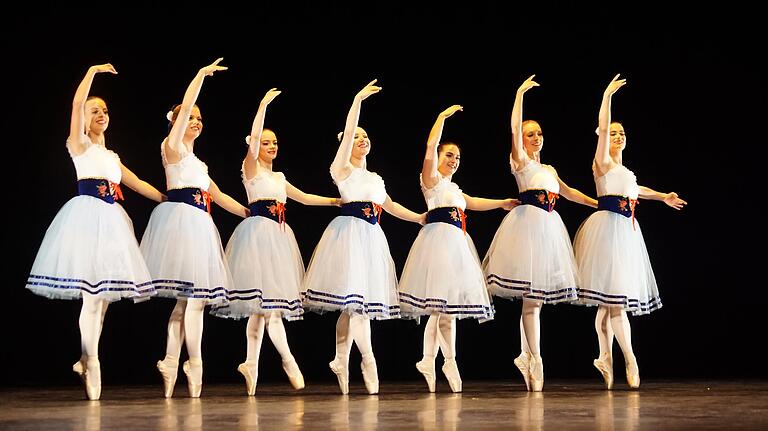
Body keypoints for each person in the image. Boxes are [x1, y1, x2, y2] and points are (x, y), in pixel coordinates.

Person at [25, 63, 165, 400]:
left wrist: (169, 200)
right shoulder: (79, 144)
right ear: (85, 118)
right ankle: (94, 361)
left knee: (102, 302)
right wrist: (91, 72)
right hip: (86, 221)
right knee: (91, 297)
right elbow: (75, 105)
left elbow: (139, 183)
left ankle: (87, 356)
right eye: (95, 109)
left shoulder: (111, 155)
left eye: (104, 109)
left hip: (113, 224)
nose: (101, 113)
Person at [211, 88, 340, 395]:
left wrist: (336, 201)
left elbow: (306, 198)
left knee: (262, 310)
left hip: (280, 240)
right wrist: (263, 107)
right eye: (265, 142)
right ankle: (288, 358)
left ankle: (251, 366)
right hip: (256, 238)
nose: (270, 146)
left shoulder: (279, 177)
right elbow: (254, 141)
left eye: (274, 143)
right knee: (269, 309)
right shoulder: (251, 168)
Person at [301, 79, 425, 395]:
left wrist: (419, 218)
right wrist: (357, 101)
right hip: (349, 237)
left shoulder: (374, 178)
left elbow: (391, 205)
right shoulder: (341, 169)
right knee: (358, 305)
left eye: (365, 136)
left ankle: (341, 360)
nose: (362, 139)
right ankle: (368, 360)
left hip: (372, 238)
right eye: (356, 136)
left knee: (353, 305)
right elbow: (349, 129)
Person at [140, 58, 249, 398]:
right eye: (190, 117)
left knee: (185, 303)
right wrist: (200, 75)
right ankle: (195, 364)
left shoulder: (198, 164)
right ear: (176, 121)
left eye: (200, 119)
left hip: (201, 225)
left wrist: (250, 213)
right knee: (196, 299)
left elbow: (218, 194)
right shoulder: (171, 147)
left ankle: (171, 361)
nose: (196, 122)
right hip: (182, 224)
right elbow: (186, 105)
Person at [482, 75, 598, 392]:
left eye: (539, 134)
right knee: (532, 301)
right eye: (530, 134)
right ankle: (536, 359)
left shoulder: (549, 170)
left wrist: (595, 202)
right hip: (527, 228)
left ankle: (525, 354)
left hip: (549, 229)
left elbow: (569, 191)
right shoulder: (519, 161)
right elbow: (513, 128)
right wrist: (519, 94)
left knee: (535, 301)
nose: (536, 138)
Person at [574, 74, 687, 390]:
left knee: (607, 304)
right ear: (604, 138)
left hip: (626, 234)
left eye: (622, 133)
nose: (618, 135)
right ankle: (630, 359)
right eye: (613, 133)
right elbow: (603, 124)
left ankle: (604, 357)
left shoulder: (626, 172)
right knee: (616, 302)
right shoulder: (603, 163)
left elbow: (638, 190)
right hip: (607, 232)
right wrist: (607, 97)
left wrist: (663, 196)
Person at [398, 105, 518, 393]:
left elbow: (473, 202)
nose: (454, 160)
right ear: (439, 157)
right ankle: (438, 360)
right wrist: (440, 119)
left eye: (458, 157)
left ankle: (439, 360)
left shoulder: (455, 189)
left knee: (445, 310)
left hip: (457, 245)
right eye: (449, 155)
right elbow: (429, 146)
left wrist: (501, 202)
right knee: (441, 307)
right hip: (438, 243)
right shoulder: (432, 181)